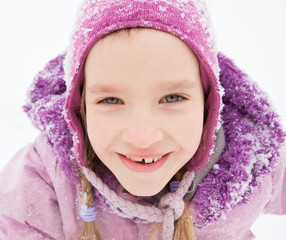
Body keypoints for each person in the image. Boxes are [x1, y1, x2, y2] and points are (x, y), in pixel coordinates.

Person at [0, 0, 285, 239]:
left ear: (209, 102)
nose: (143, 136)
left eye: (172, 98)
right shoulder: (42, 181)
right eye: (110, 100)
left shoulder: (255, 166)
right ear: (79, 106)